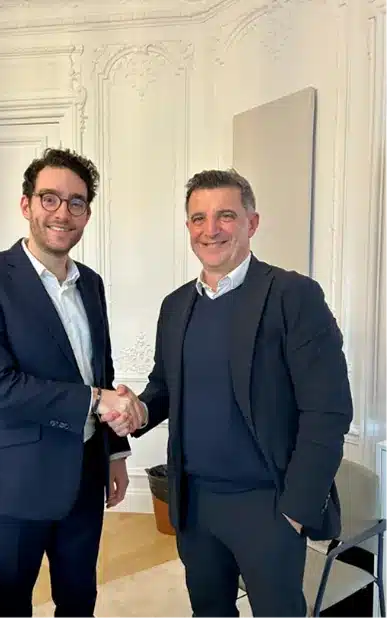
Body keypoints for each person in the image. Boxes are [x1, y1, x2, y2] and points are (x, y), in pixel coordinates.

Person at [110, 169, 354, 618]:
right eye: (198, 218)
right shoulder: (175, 306)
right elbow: (165, 387)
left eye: (225, 215)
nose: (211, 229)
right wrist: (140, 409)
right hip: (195, 504)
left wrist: (295, 511)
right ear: (188, 227)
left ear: (251, 223)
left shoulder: (293, 295)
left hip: (268, 506)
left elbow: (328, 411)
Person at [0, 147, 141, 618]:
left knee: (79, 600)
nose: (63, 213)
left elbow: (101, 372)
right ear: (26, 204)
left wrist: (115, 453)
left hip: (85, 470)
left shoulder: (91, 283)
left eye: (76, 202)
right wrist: (95, 400)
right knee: (10, 602)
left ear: (87, 214)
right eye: (50, 198)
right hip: (17, 476)